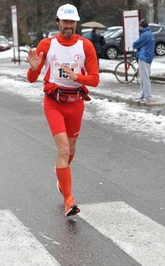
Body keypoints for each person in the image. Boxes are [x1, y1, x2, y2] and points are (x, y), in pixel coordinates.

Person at [26, 3, 99, 217]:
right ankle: (69, 200)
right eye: (65, 21)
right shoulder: (47, 45)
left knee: (71, 150)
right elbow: (31, 78)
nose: (68, 26)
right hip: (54, 102)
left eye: (72, 22)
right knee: (64, 149)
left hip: (76, 103)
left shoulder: (85, 46)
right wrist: (33, 69)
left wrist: (78, 77)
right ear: (58, 22)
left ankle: (61, 176)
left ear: (76, 23)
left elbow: (95, 80)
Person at [133, 19, 155, 104]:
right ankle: (142, 95)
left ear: (141, 26)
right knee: (143, 77)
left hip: (144, 57)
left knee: (144, 78)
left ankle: (148, 97)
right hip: (148, 57)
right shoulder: (150, 34)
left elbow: (135, 44)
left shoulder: (145, 35)